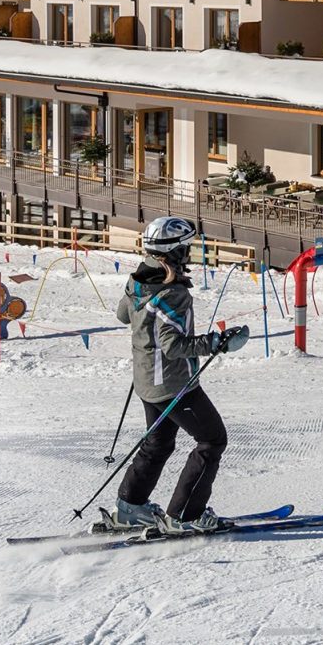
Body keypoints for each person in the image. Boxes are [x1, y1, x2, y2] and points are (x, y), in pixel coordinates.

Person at [114, 216, 251, 532]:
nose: (190, 253)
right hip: (172, 385)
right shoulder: (172, 293)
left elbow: (123, 315)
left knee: (158, 443)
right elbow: (173, 345)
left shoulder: (138, 280)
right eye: (186, 247)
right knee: (212, 440)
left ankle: (130, 507)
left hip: (146, 380)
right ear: (175, 251)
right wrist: (219, 343)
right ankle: (185, 515)